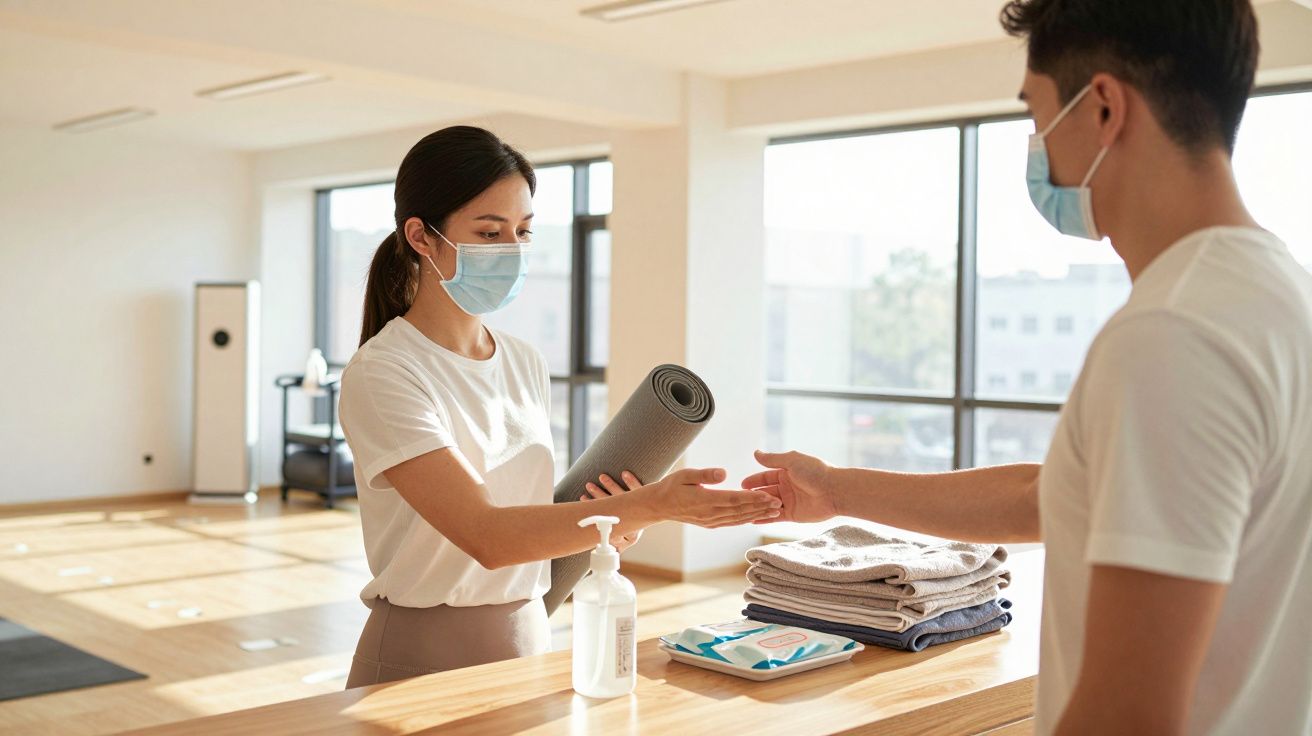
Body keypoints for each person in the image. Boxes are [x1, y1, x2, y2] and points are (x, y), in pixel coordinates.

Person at [744, 2, 1312, 734]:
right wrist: (838, 488)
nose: (1037, 143)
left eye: (1037, 113)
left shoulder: (1172, 337)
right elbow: (1057, 498)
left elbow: (1126, 715)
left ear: (1103, 107)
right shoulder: (1278, 296)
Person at [338, 126, 781, 687]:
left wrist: (613, 526)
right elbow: (488, 536)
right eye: (489, 232)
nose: (512, 250)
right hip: (419, 656)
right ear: (422, 237)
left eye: (522, 231)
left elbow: (529, 516)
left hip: (531, 643)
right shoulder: (384, 372)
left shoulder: (522, 361)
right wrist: (653, 505)